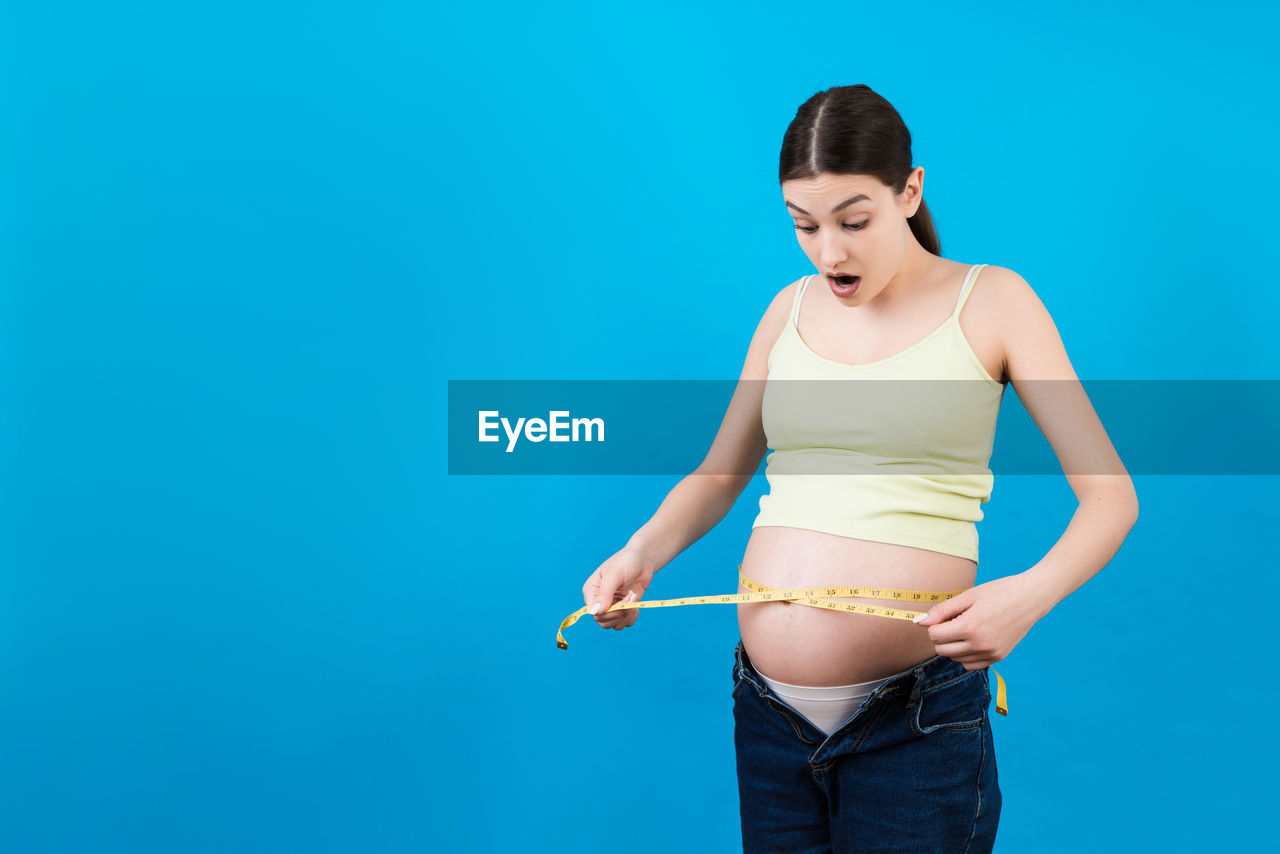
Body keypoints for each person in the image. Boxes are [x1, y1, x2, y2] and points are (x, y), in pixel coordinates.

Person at [580, 83, 1138, 853]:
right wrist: (638, 555)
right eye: (803, 225)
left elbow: (1111, 498)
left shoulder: (994, 303)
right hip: (768, 716)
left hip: (912, 722)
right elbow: (719, 473)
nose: (829, 252)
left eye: (855, 221)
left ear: (910, 190)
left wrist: (1027, 598)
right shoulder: (787, 310)